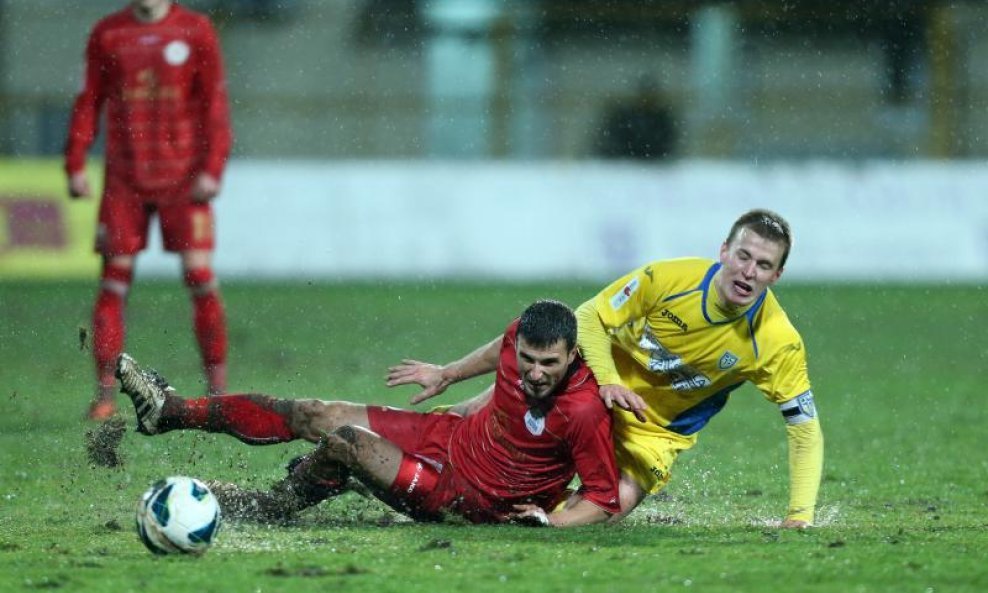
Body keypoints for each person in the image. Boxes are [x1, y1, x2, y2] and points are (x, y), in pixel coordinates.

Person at [116, 299, 621, 527]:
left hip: (467, 496)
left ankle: (270, 506)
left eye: (547, 364)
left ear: (573, 355)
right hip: (448, 436)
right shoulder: (523, 336)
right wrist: (448, 372)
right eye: (529, 360)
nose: (533, 372)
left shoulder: (584, 410)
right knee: (315, 413)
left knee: (346, 442)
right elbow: (503, 346)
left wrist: (552, 524)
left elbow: (602, 497)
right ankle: (170, 411)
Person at [567, 209, 824, 528]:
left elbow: (804, 427)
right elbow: (589, 315)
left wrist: (800, 515)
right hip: (601, 386)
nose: (748, 272)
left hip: (656, 431)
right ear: (724, 252)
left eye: (763, 265)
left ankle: (544, 522)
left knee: (600, 511)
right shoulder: (671, 278)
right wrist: (607, 380)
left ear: (776, 275)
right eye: (743, 256)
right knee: (533, 332)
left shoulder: (777, 340)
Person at [65, 0, 233, 420]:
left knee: (200, 276)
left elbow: (213, 103)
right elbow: (91, 99)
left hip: (184, 177)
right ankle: (104, 395)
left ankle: (219, 391)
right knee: (114, 282)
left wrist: (213, 168)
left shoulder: (195, 30)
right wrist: (76, 160)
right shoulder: (109, 33)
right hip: (125, 180)